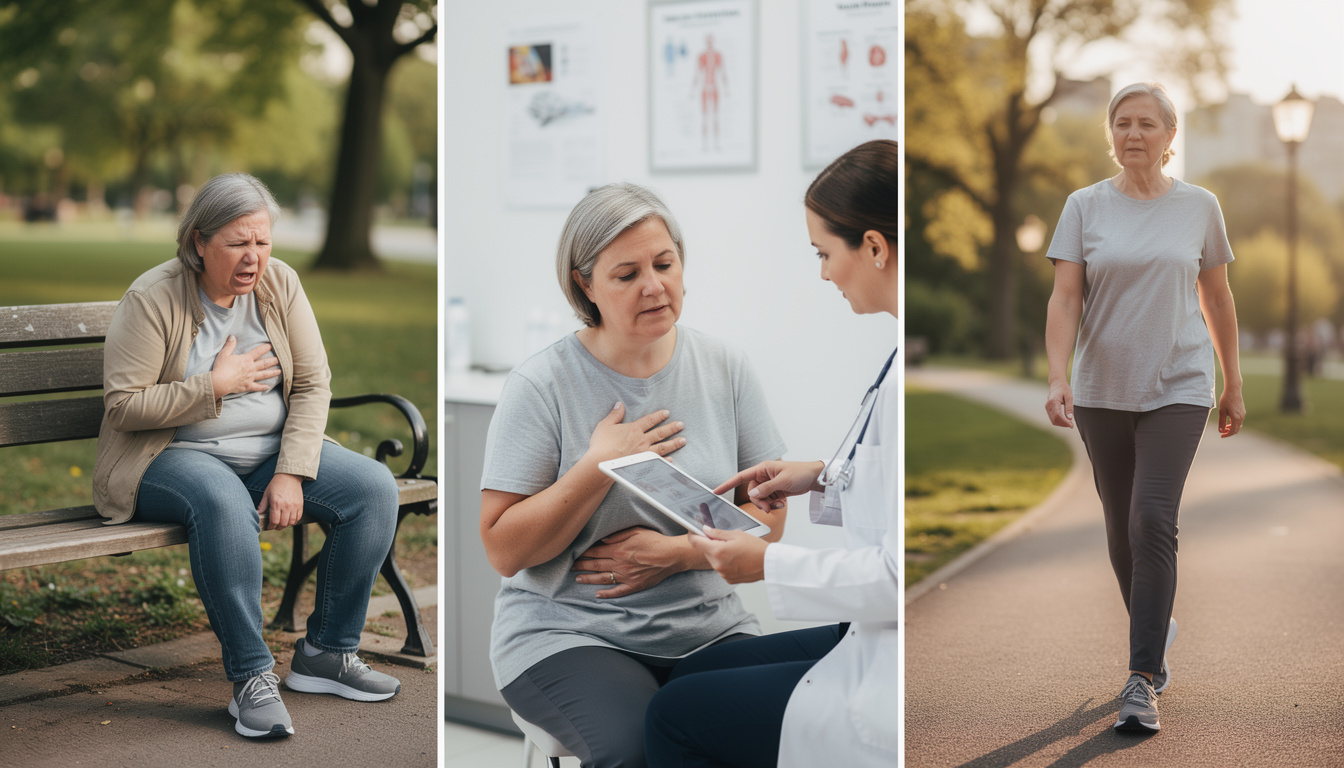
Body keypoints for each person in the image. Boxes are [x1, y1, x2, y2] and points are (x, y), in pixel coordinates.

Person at [478, 182, 788, 768]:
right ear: (584, 284)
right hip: (568, 633)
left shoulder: (726, 368)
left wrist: (677, 555)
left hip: (709, 628)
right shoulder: (540, 386)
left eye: (664, 263)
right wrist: (597, 467)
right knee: (638, 748)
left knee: (785, 728)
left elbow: (769, 520)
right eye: (626, 275)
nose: (655, 285)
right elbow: (502, 549)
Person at [93, 173, 403, 740]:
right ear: (198, 243)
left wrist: (290, 471)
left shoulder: (280, 285)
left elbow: (312, 383)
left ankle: (326, 654)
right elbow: (123, 406)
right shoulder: (152, 297)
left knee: (373, 488)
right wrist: (214, 386)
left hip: (268, 453)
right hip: (169, 455)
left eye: (261, 241)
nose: (253, 257)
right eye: (238, 242)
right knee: (221, 499)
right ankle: (253, 677)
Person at [643, 138, 899, 768]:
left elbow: (896, 579)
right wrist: (822, 474)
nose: (823, 273)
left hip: (887, 661)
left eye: (823, 253)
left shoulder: (900, 377)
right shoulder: (895, 357)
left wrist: (765, 564)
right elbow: (888, 478)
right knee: (695, 674)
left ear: (873, 246)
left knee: (673, 717)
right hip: (867, 629)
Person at [1041, 82, 1244, 733]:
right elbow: (1065, 298)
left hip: (1179, 386)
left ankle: (1141, 676)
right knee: (1119, 530)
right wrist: (1056, 374)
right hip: (1102, 389)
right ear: (1111, 133)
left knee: (1152, 519)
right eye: (1123, 122)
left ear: (1170, 135)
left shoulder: (1200, 206)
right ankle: (1157, 630)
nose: (1134, 133)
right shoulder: (1084, 206)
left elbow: (1217, 297)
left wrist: (1231, 381)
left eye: (1147, 123)